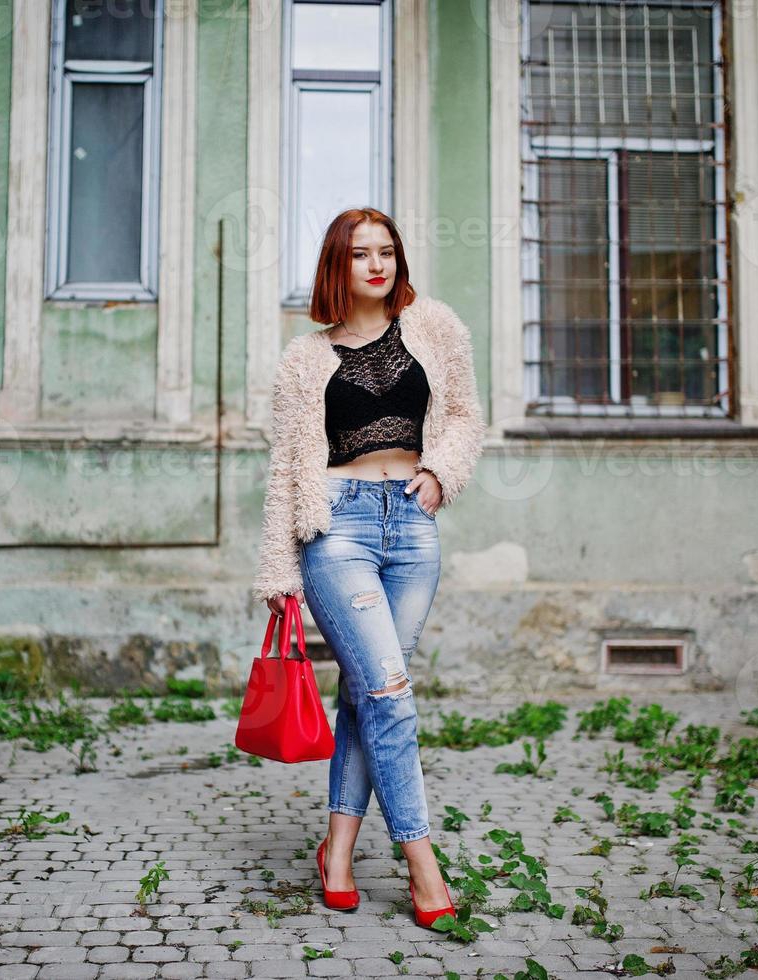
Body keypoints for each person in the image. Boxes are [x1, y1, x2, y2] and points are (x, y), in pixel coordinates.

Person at [249, 207, 486, 928]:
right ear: (336, 266)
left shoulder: (435, 328)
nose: (377, 265)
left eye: (386, 251)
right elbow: (287, 469)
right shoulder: (303, 359)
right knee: (389, 694)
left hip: (412, 527)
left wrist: (442, 473)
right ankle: (421, 864)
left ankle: (338, 851)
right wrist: (278, 572)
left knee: (366, 694)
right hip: (338, 528)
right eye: (360, 254)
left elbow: (465, 417)